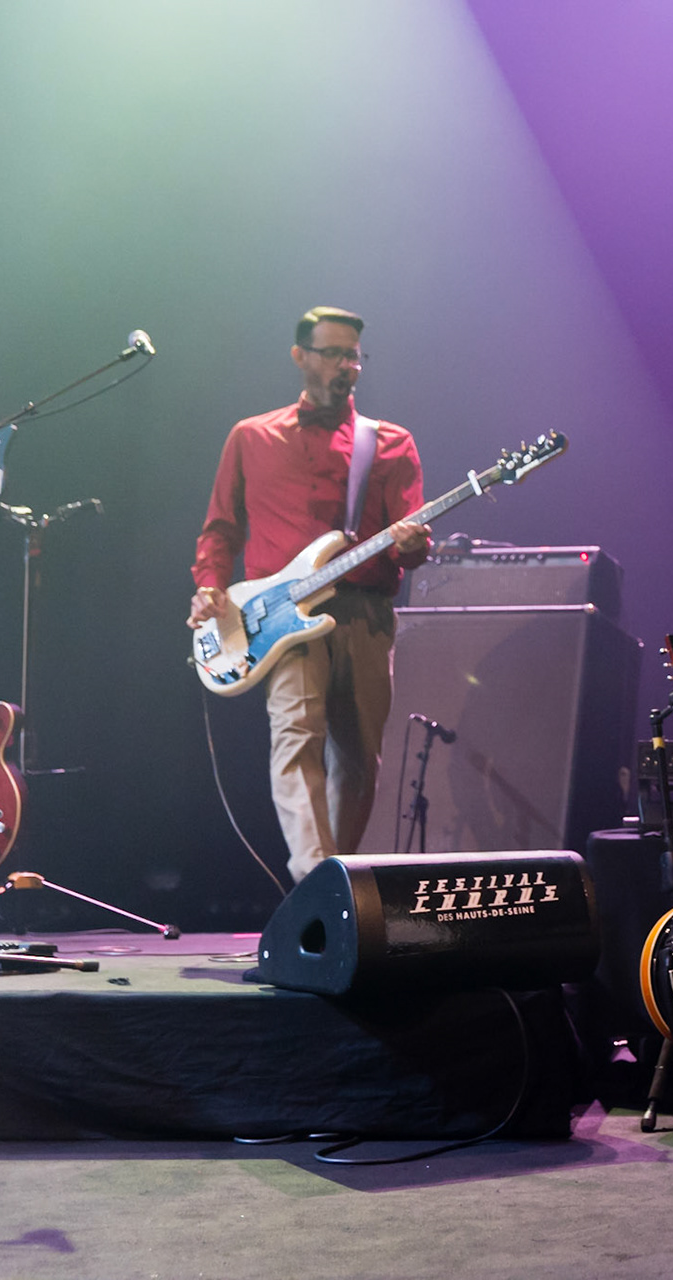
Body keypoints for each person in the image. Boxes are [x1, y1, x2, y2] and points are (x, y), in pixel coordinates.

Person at [188, 306, 431, 883]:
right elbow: (221, 528)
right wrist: (208, 587)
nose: (347, 366)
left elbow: (409, 544)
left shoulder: (390, 444)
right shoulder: (251, 436)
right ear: (300, 357)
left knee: (357, 759)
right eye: (334, 353)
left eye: (354, 355)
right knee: (295, 738)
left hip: (366, 614)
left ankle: (334, 890)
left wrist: (413, 543)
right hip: (278, 619)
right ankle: (315, 883)